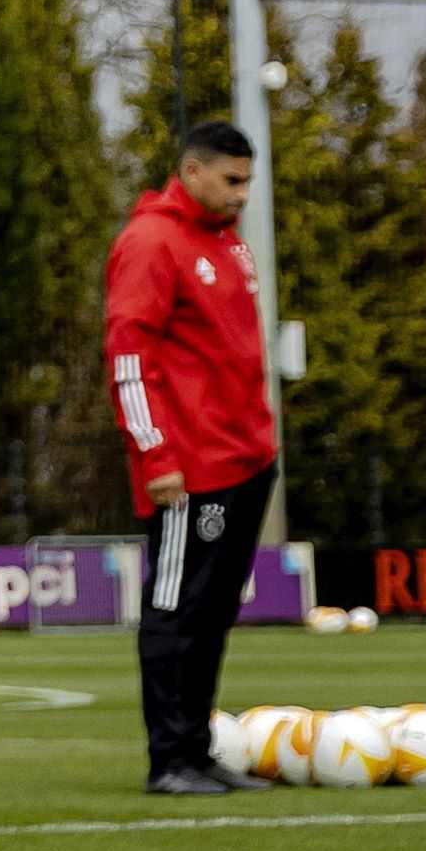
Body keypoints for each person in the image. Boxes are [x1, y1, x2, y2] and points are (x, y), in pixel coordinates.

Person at [108, 117, 280, 796]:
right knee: (176, 608)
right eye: (232, 180)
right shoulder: (151, 241)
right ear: (192, 171)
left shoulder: (227, 241)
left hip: (246, 460)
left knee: (213, 613)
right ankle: (169, 759)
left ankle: (198, 750)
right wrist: (156, 455)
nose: (241, 194)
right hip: (190, 470)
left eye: (247, 182)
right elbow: (129, 358)